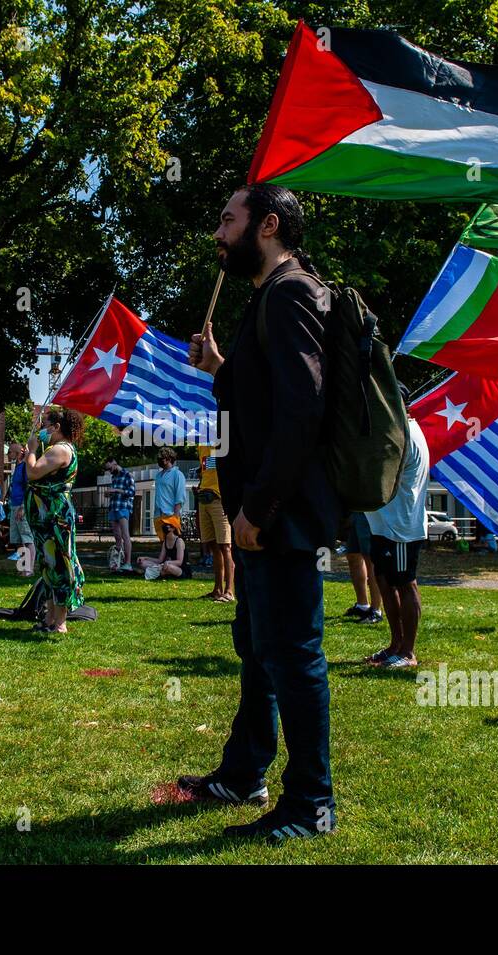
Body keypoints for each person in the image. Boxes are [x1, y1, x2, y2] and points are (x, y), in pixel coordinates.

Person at [181, 183, 340, 842]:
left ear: (267, 224)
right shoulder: (269, 298)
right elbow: (264, 395)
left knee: (295, 654)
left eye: (227, 219)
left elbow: (304, 410)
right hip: (262, 513)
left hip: (279, 513)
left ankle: (312, 803)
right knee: (258, 646)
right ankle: (245, 770)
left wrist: (259, 507)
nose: (218, 233)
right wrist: (222, 366)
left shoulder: (294, 292)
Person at [364, 395, 430, 669]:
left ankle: (407, 651)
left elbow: (381, 472)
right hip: (384, 523)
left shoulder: (405, 433)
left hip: (401, 527)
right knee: (384, 580)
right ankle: (395, 645)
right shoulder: (397, 429)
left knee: (405, 583)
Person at [25, 407, 86, 634]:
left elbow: (33, 472)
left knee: (59, 566)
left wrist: (31, 450)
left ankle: (59, 623)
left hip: (55, 517)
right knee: (49, 567)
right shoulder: (56, 448)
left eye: (46, 426)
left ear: (56, 427)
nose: (43, 430)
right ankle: (50, 619)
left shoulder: (60, 450)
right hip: (47, 518)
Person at [194, 444, 233, 601]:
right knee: (212, 546)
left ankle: (229, 591)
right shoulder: (201, 445)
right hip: (204, 497)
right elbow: (205, 469)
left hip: (220, 499)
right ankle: (217, 589)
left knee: (226, 546)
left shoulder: (222, 440)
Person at [341, 512, 383, 624]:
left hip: (370, 511)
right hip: (355, 511)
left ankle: (375, 610)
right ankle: (362, 605)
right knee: (353, 556)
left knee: (370, 559)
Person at [5, 442, 35, 576]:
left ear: (17, 453)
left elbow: (28, 487)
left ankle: (29, 569)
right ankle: (22, 567)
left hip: (21, 506)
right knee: (17, 539)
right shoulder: (17, 467)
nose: (8, 454)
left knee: (27, 538)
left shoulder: (24, 467)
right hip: (13, 505)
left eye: (10, 452)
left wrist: (23, 506)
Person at [104, 456, 135, 571]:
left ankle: (128, 563)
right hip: (113, 507)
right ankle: (117, 562)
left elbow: (131, 492)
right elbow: (115, 493)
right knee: (117, 536)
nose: (109, 471)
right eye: (108, 470)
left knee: (125, 536)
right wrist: (109, 494)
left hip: (123, 508)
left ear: (114, 462)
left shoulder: (128, 475)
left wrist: (115, 490)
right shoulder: (114, 477)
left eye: (110, 468)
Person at [153, 447, 186, 538]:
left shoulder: (177, 474)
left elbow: (180, 496)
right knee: (164, 545)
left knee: (173, 545)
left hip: (170, 515)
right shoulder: (158, 476)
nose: (159, 460)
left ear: (169, 459)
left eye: (161, 458)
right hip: (158, 515)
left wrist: (175, 517)